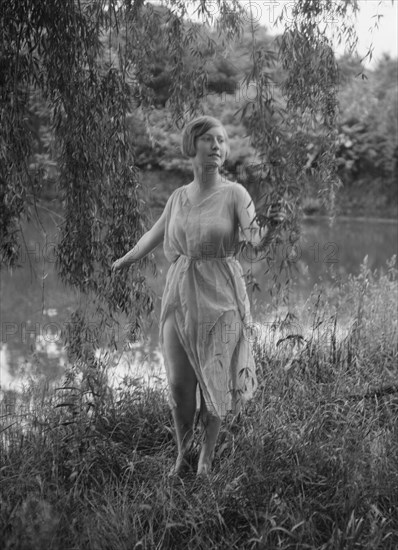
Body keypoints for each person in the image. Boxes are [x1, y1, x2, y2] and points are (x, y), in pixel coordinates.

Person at [112, 116, 284, 478]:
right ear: (192, 145)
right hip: (180, 294)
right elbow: (154, 234)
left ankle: (205, 458)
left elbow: (254, 239)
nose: (218, 146)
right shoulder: (177, 197)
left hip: (221, 298)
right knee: (178, 382)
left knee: (215, 378)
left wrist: (272, 226)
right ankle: (182, 452)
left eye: (222, 140)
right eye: (209, 139)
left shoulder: (236, 193)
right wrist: (127, 258)